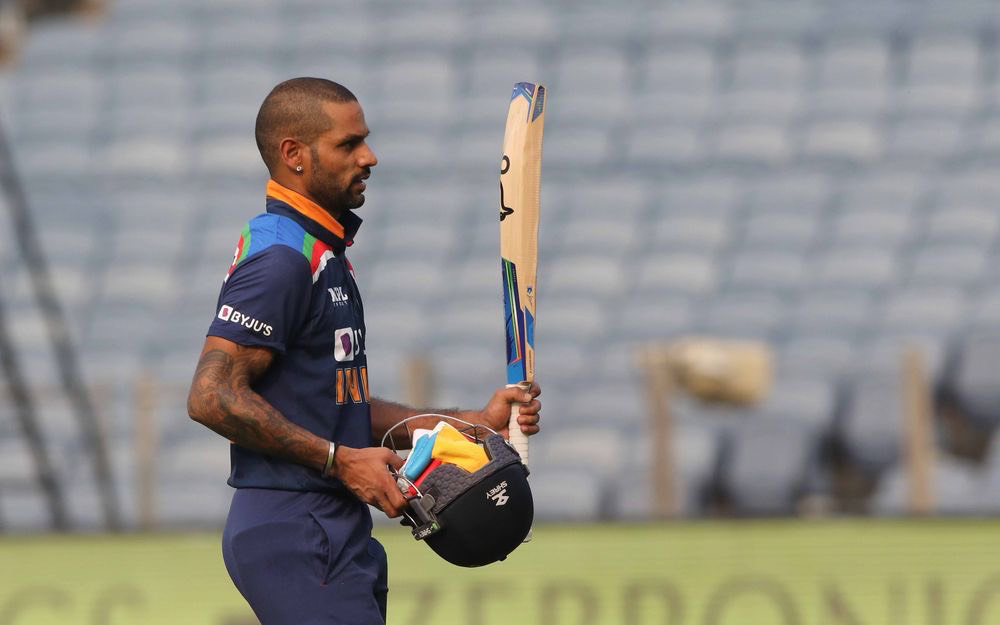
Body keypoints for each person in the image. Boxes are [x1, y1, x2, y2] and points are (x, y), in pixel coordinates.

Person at [186, 77, 542, 625]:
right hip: (296, 525)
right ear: (294, 155)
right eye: (348, 144)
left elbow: (338, 407)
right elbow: (211, 397)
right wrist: (341, 461)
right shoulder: (282, 259)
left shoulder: (322, 253)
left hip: (327, 524)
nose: (369, 156)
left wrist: (468, 423)